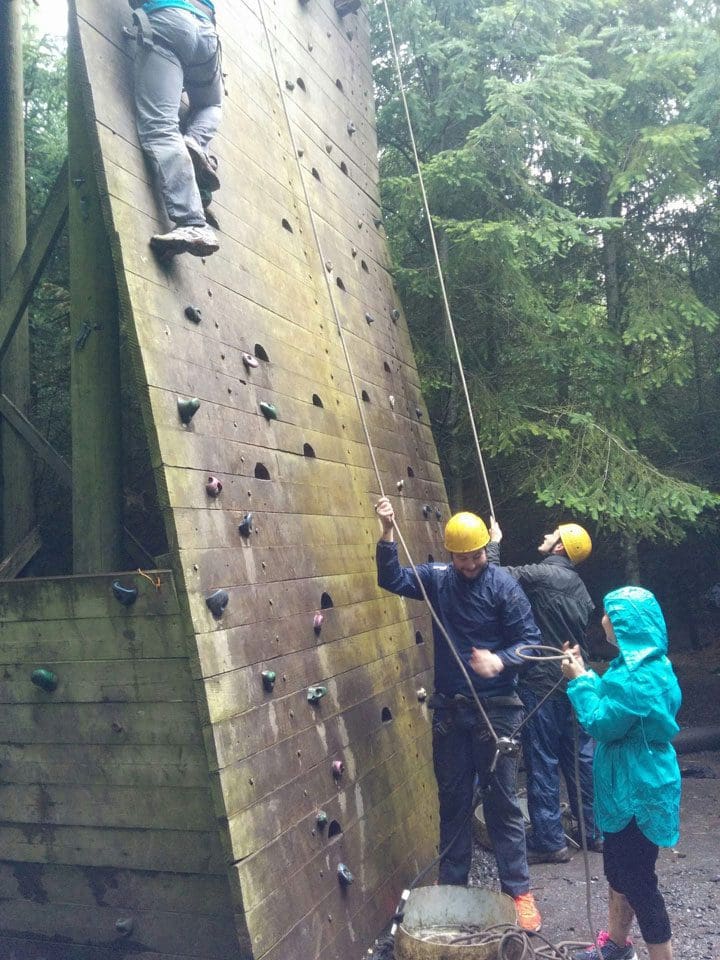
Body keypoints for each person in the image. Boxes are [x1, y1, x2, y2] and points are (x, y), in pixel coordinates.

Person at [374, 496, 543, 932]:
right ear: (451, 554)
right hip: (450, 711)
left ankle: (519, 893)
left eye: (476, 556)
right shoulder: (438, 579)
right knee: (452, 802)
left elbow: (531, 642)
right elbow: (391, 578)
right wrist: (387, 532)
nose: (469, 564)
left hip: (497, 710)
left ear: (486, 549)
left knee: (502, 803)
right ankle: (451, 888)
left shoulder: (504, 587)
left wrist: (500, 660)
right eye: (462, 557)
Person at [562, 586, 681, 960]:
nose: (603, 619)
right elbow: (614, 702)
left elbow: (601, 722)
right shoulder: (639, 666)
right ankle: (616, 945)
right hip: (626, 783)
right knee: (617, 869)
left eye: (609, 614)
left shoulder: (639, 678)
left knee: (639, 881)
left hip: (638, 789)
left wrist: (578, 681)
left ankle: (662, 956)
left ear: (626, 624)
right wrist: (586, 673)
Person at [486, 521, 600, 863]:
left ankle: (550, 842)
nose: (546, 535)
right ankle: (595, 832)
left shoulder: (543, 574)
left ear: (560, 546)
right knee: (580, 758)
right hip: (575, 679)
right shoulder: (581, 589)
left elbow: (493, 576)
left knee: (543, 759)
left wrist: (494, 542)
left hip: (543, 682)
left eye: (553, 534)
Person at [131, 0, 223, 257]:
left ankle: (193, 222)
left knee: (160, 127)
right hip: (206, 33)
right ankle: (195, 141)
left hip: (168, 21)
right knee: (212, 104)